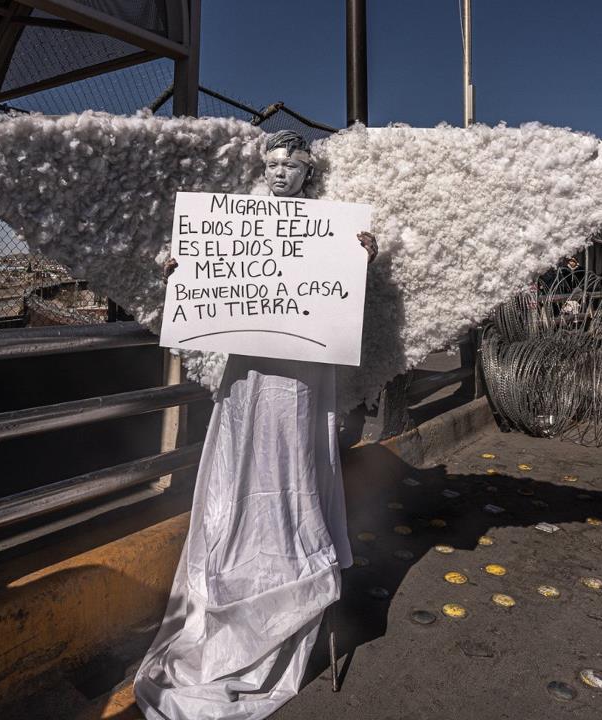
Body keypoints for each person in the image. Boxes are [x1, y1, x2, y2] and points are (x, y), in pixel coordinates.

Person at [136, 130, 376, 720]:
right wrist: (178, 267)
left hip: (302, 380)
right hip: (246, 379)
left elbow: (343, 302)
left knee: (295, 466)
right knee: (239, 470)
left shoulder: (327, 229)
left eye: (289, 166)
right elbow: (204, 295)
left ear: (306, 174)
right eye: (270, 165)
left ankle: (289, 580)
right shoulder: (234, 227)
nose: (277, 175)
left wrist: (359, 261)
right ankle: (230, 584)